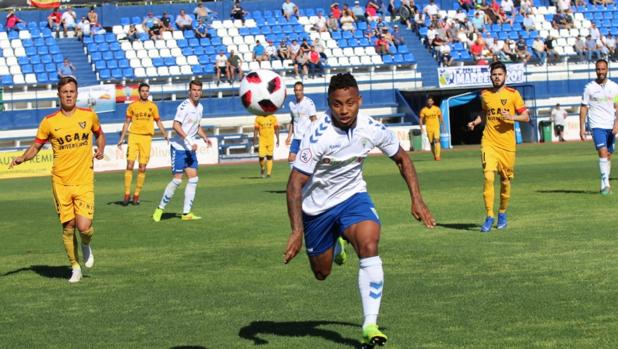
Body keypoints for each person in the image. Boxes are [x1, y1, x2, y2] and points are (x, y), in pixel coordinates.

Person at [283, 73, 435, 348]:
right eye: (337, 104)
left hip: (353, 197)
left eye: (350, 103)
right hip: (316, 209)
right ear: (328, 103)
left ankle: (370, 324)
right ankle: (336, 242)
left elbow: (402, 159)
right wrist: (296, 231)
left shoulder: (372, 127)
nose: (344, 110)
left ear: (359, 101)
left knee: (369, 242)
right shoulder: (317, 136)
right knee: (322, 273)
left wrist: (417, 199)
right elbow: (294, 185)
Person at [9, 76, 105, 283]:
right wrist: (22, 158)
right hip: (60, 182)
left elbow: (100, 134)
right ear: (59, 95)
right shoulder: (49, 122)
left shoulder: (89, 116)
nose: (69, 95)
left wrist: (101, 149)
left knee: (84, 227)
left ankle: (86, 244)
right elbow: (35, 146)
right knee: (68, 226)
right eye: (65, 92)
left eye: (72, 91)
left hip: (84, 180)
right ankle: (75, 266)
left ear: (77, 94)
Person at [466, 61, 530, 232]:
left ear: (505, 76)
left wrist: (512, 116)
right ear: (490, 76)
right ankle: (489, 216)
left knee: (505, 180)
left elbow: (526, 117)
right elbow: (484, 112)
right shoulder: (485, 94)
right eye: (494, 74)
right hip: (489, 142)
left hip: (507, 145)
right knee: (488, 177)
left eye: (500, 74)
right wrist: (475, 121)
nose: (497, 77)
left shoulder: (513, 94)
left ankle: (502, 212)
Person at [153, 80, 212, 222]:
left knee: (193, 179)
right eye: (194, 90)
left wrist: (204, 137)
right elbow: (175, 125)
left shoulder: (200, 107)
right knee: (177, 181)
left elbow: (197, 126)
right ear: (189, 91)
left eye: (199, 90)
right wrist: (189, 140)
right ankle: (159, 209)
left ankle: (186, 213)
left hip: (190, 149)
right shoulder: (184, 106)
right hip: (179, 148)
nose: (197, 92)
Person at [117, 82, 169, 206]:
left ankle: (136, 195)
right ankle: (126, 194)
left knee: (142, 168)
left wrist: (165, 133)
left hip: (146, 138)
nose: (145, 93)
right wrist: (122, 138)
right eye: (143, 91)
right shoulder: (132, 106)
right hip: (133, 137)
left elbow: (158, 121)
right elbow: (127, 122)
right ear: (139, 92)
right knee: (129, 165)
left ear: (148, 92)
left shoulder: (153, 107)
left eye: (147, 91)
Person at [579, 59, 618, 195]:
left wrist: (616, 123)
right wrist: (582, 128)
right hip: (596, 125)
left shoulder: (614, 87)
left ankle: (603, 183)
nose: (600, 72)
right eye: (598, 69)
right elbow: (584, 108)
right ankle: (606, 184)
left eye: (603, 69)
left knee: (608, 155)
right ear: (595, 70)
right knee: (602, 152)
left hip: (610, 125)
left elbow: (617, 106)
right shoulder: (589, 88)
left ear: (607, 70)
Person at [286, 81, 317, 167]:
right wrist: (289, 136)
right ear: (294, 91)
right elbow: (293, 120)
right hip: (296, 138)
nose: (298, 92)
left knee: (306, 161)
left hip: (306, 138)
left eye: (300, 90)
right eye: (296, 90)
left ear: (303, 91)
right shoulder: (291, 104)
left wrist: (315, 136)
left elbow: (314, 120)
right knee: (291, 158)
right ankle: (295, 180)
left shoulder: (308, 103)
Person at [253, 113, 280, 178]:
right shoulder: (258, 118)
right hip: (262, 140)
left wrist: (278, 138)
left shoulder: (273, 117)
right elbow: (256, 129)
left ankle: (268, 173)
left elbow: (276, 128)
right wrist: (255, 138)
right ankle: (262, 168)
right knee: (261, 157)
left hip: (270, 140)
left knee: (269, 157)